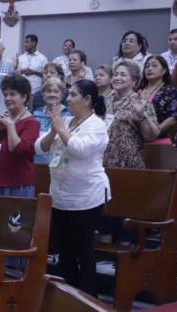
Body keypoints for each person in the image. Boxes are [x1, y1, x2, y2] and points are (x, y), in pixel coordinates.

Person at [36, 79, 110, 296]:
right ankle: (71, 297)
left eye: (74, 95)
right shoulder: (66, 120)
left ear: (87, 100)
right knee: (64, 252)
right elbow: (39, 148)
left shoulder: (97, 125)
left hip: (86, 197)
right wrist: (53, 130)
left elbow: (79, 149)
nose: (68, 99)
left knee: (83, 251)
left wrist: (59, 128)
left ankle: (89, 299)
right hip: (60, 196)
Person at [0, 74, 40, 197]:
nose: (7, 98)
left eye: (12, 94)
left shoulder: (31, 123)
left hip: (16, 184)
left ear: (24, 97)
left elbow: (19, 150)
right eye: (5, 94)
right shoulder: (1, 118)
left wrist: (10, 126)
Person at [103, 61, 160, 169]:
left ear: (134, 81)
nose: (117, 78)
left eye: (123, 75)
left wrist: (142, 115)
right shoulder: (107, 100)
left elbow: (151, 136)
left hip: (129, 163)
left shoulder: (140, 102)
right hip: (105, 161)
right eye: (115, 74)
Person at [137, 55, 177, 144]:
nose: (150, 69)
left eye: (154, 65)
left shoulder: (170, 91)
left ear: (164, 71)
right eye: (147, 66)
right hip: (137, 140)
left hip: (159, 140)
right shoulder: (138, 90)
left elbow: (173, 117)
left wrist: (154, 132)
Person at [32, 77, 72, 163]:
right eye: (49, 91)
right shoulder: (36, 113)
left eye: (56, 91)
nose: (52, 94)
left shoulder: (69, 114)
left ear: (62, 95)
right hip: (37, 161)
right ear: (43, 94)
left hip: (60, 162)